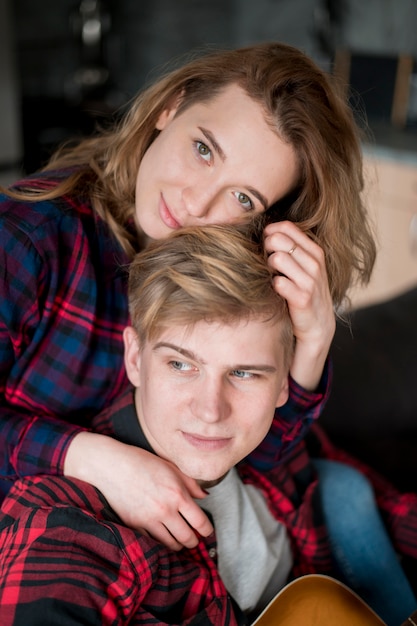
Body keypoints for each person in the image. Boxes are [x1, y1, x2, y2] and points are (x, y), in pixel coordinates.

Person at [0, 41, 376, 551]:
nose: (196, 203)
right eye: (204, 150)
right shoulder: (29, 240)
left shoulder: (227, 269)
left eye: (243, 198)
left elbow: (255, 463)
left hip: (184, 538)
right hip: (45, 539)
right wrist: (94, 460)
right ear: (169, 107)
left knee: (347, 494)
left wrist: (313, 339)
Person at [0, 224, 415, 626]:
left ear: (284, 383)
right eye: (181, 364)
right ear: (134, 359)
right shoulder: (68, 533)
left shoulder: (268, 446)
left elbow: (383, 508)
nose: (211, 411)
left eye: (245, 374)